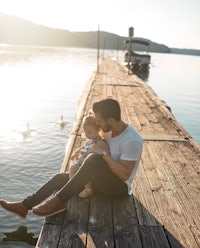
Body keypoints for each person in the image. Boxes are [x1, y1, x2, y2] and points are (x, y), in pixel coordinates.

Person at [0, 98, 143, 218]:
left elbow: (125, 175)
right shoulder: (107, 130)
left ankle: (58, 202)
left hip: (118, 189)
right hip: (99, 180)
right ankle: (24, 206)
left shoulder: (131, 140)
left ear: (111, 120)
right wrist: (80, 149)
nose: (97, 123)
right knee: (59, 178)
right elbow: (94, 141)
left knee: (94, 159)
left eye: (99, 120)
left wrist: (103, 155)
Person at [69, 114, 109, 198]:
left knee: (86, 171)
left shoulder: (100, 142)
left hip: (90, 166)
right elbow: (84, 146)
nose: (87, 134)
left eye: (89, 132)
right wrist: (76, 152)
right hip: (81, 162)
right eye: (85, 132)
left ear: (98, 129)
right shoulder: (90, 140)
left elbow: (103, 155)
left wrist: (85, 157)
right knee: (72, 168)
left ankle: (88, 189)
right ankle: (72, 186)